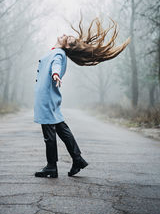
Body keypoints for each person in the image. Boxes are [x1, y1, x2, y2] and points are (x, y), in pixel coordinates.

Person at [34, 16, 130, 178]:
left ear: (65, 45)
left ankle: (52, 166)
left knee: (49, 132)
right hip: (49, 96)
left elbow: (56, 64)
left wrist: (56, 74)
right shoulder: (56, 52)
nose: (64, 34)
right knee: (60, 128)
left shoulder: (58, 54)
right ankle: (77, 159)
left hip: (47, 98)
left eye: (66, 37)